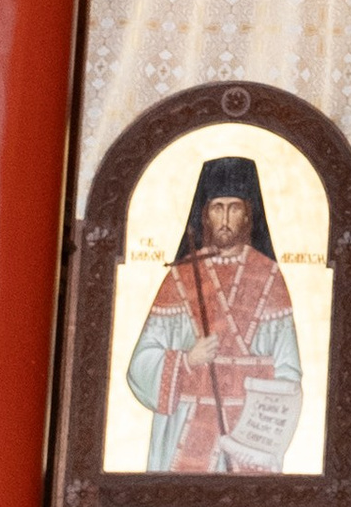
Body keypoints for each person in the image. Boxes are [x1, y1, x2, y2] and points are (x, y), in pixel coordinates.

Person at [124, 158, 303, 473]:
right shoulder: (181, 278)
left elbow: (289, 372)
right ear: (204, 214)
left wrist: (263, 423)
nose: (225, 218)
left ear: (248, 213)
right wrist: (186, 360)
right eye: (217, 207)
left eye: (234, 208)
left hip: (250, 435)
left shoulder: (269, 278)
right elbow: (140, 364)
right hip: (186, 426)